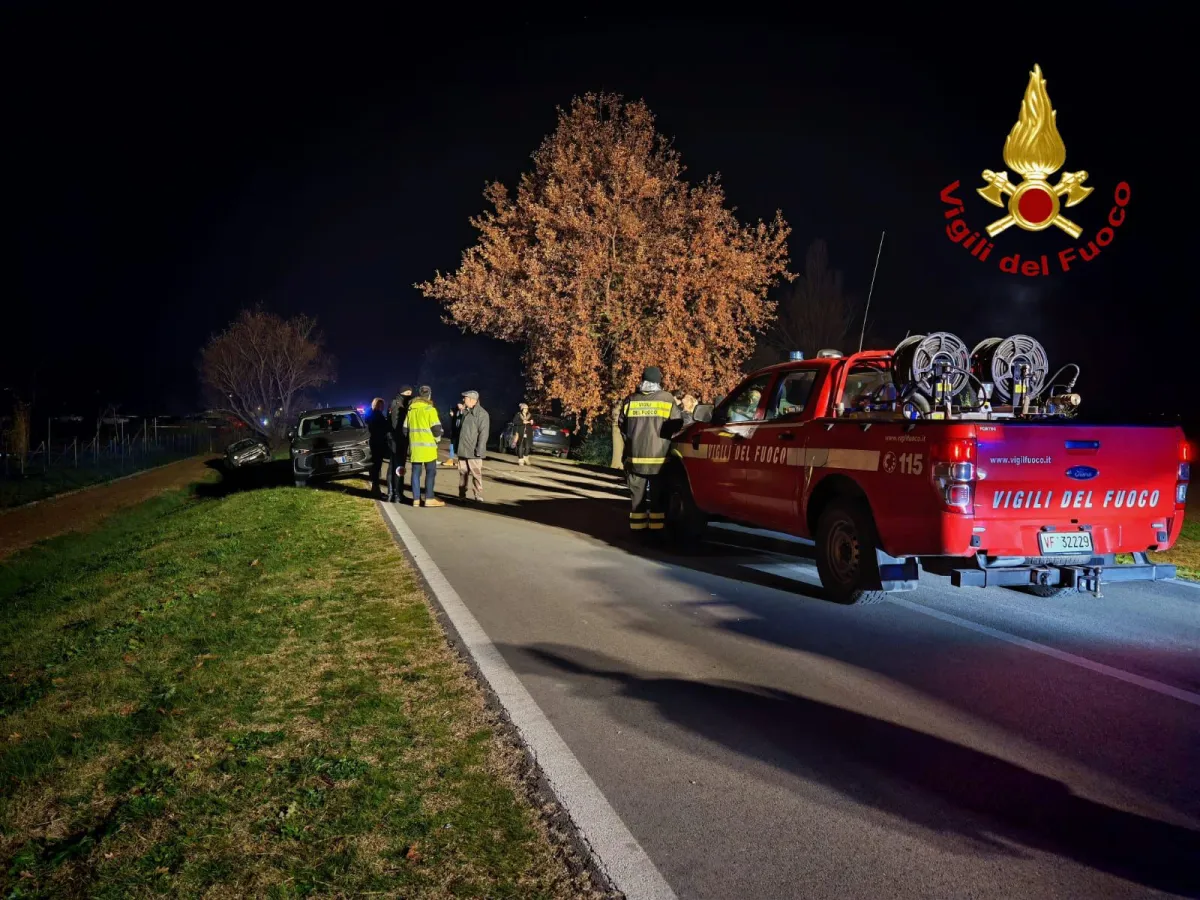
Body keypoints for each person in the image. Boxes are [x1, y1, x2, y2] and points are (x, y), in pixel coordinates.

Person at [618, 366, 681, 535]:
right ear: (658, 381)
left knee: (637, 499)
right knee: (658, 498)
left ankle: (637, 532)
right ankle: (656, 531)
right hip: (659, 460)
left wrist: (632, 441)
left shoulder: (630, 399)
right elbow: (677, 423)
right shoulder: (667, 399)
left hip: (635, 458)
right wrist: (665, 437)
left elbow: (622, 425)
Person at [403, 386, 445, 507]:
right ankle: (429, 498)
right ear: (429, 395)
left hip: (415, 449)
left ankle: (416, 499)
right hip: (429, 448)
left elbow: (405, 429)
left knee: (416, 473)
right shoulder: (430, 409)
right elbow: (437, 430)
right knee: (430, 473)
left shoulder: (411, 410)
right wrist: (437, 440)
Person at [455, 390, 490, 501]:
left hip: (474, 451)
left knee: (476, 474)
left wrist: (479, 449)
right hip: (463, 449)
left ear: (471, 400)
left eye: (465, 398)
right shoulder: (464, 412)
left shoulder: (482, 414)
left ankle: (477, 494)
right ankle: (462, 494)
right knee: (462, 473)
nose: (463, 400)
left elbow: (483, 434)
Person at [387, 386, 413, 502]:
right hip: (397, 439)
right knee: (398, 467)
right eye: (407, 393)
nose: (409, 395)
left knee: (394, 466)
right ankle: (397, 494)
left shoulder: (397, 403)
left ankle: (393, 493)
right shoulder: (398, 404)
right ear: (402, 392)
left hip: (395, 439)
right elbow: (394, 423)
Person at [366, 397, 391, 498]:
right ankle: (376, 490)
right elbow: (385, 428)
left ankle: (375, 489)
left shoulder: (370, 415)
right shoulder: (378, 416)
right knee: (376, 467)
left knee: (374, 467)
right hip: (378, 443)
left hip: (372, 443)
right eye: (381, 405)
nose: (382, 407)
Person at [442, 401, 465, 467]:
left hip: (461, 432)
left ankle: (460, 461)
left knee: (460, 447)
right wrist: (452, 414)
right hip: (455, 431)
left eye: (460, 405)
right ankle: (450, 460)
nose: (459, 406)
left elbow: (462, 417)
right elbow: (454, 417)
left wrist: (461, 410)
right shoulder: (456, 411)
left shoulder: (465, 412)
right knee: (452, 445)